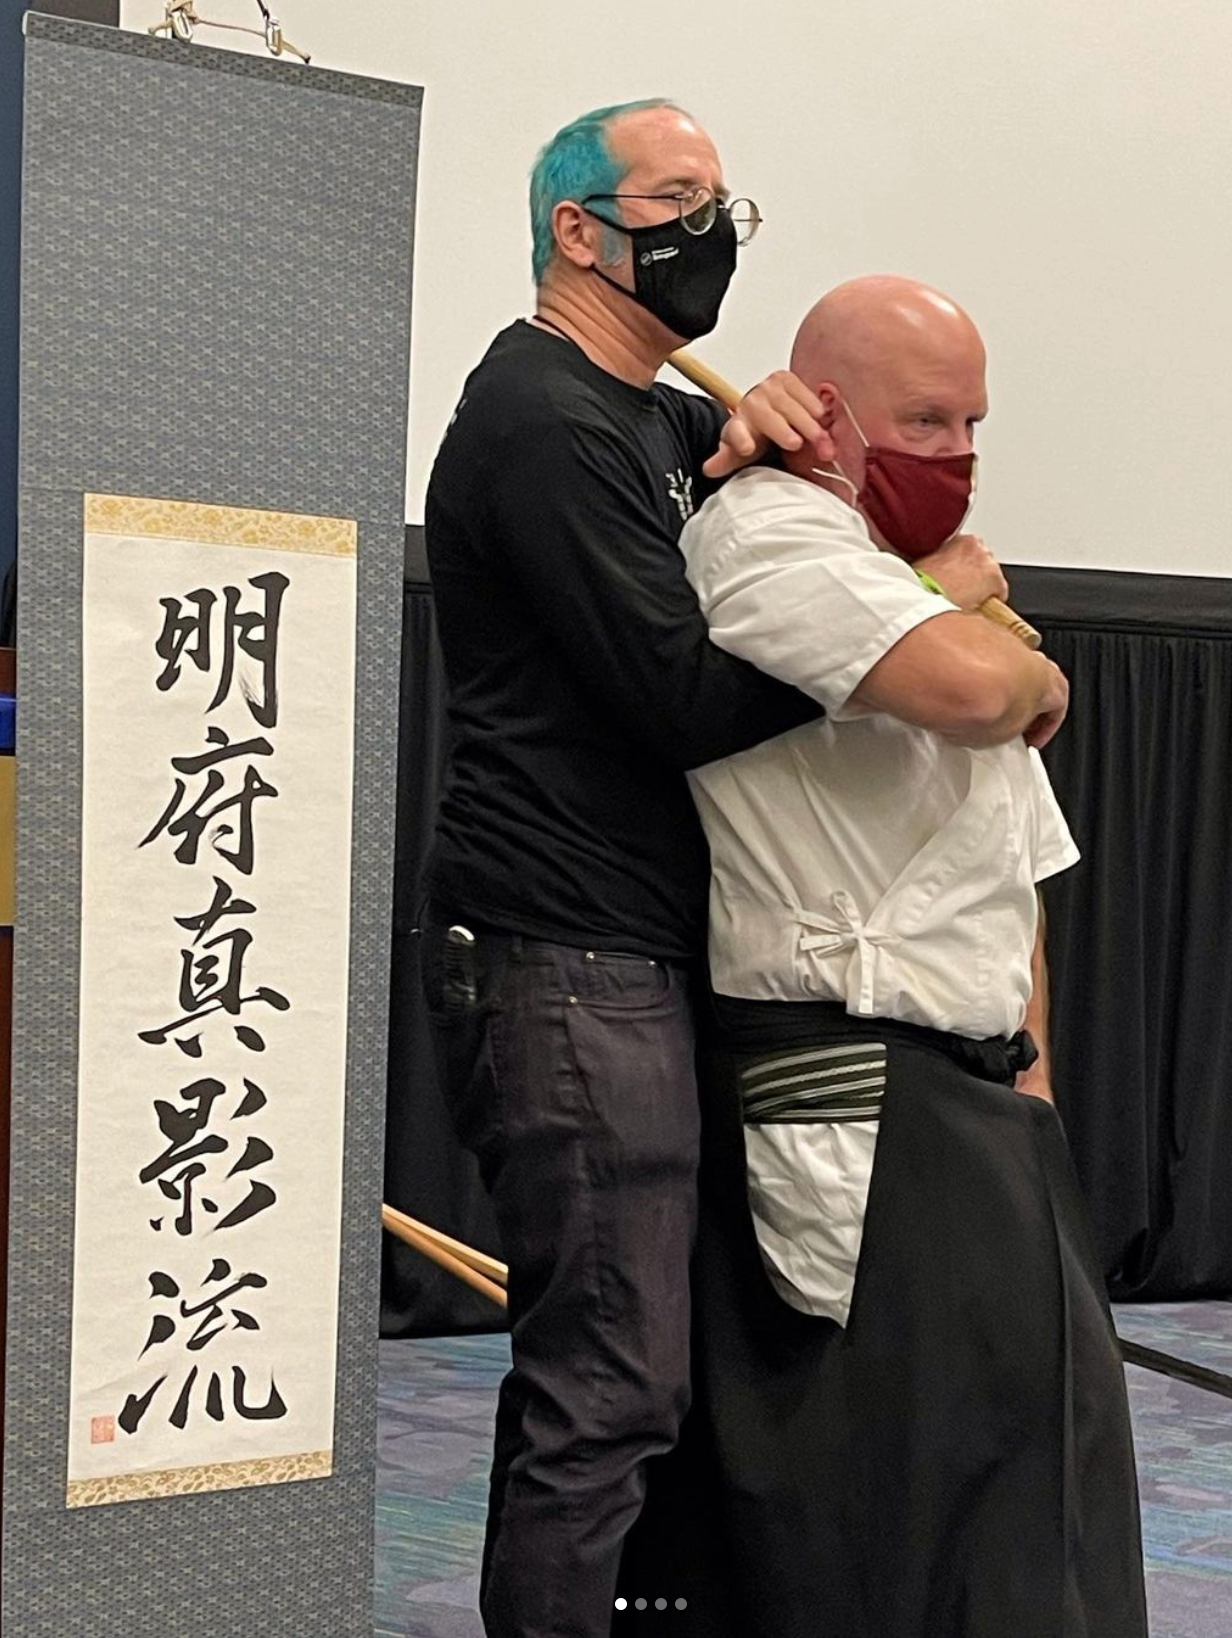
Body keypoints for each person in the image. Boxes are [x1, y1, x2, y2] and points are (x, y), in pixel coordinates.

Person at [623, 275, 1146, 1636]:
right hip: (851, 1079)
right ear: (832, 413)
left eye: (975, 421)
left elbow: (1014, 875)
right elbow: (980, 696)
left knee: (1044, 1486)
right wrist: (1000, 644)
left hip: (984, 1101)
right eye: (927, 418)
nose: (959, 454)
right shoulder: (767, 538)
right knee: (891, 1496)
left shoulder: (909, 583)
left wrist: (1032, 1096)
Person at [417, 98, 831, 1638]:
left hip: (633, 952)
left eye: (725, 202)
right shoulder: (541, 415)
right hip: (561, 958)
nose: (707, 232)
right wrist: (888, 654)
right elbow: (682, 691)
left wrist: (757, 454)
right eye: (676, 199)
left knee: (649, 1375)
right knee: (606, 1386)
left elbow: (727, 548)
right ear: (578, 230)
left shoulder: (652, 417)